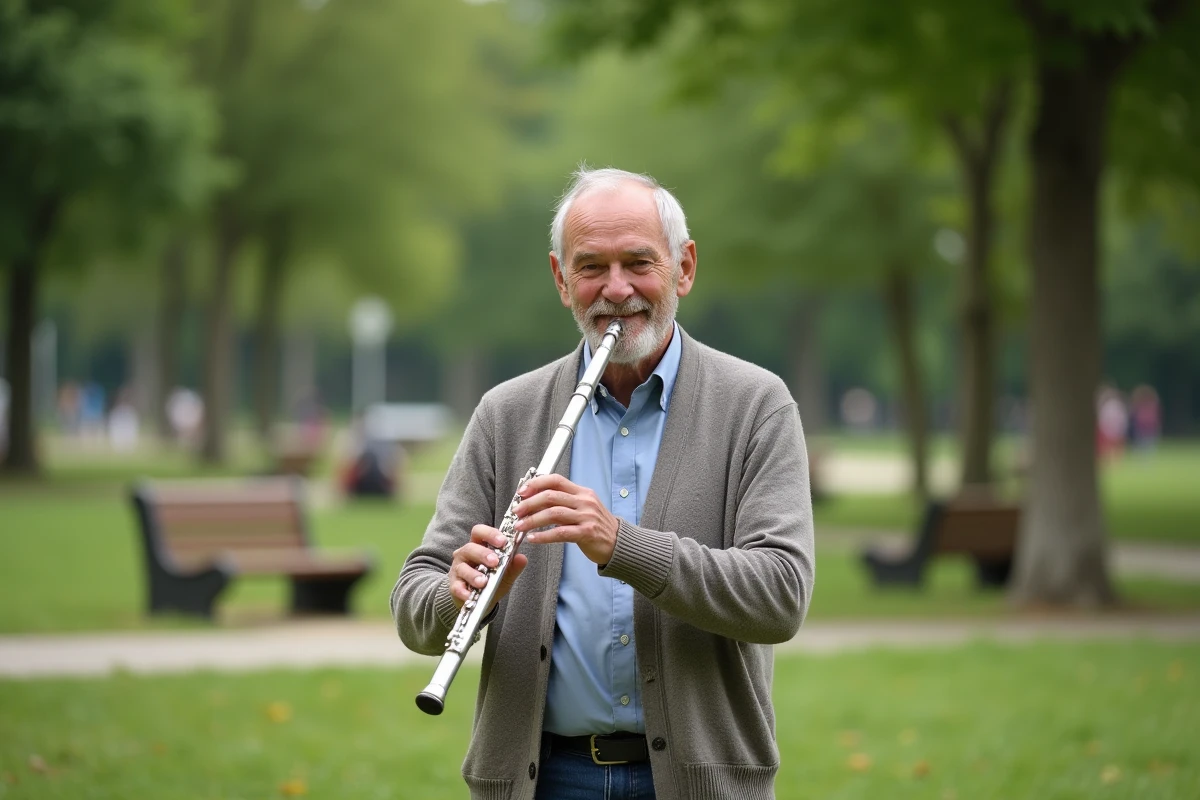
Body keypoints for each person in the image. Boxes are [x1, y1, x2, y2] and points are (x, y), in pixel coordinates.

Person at [392, 167, 815, 800]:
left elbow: (781, 597)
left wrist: (621, 545)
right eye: (591, 267)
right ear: (563, 281)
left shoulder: (756, 405)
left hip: (699, 785)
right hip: (542, 782)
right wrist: (461, 595)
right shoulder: (507, 413)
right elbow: (413, 608)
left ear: (684, 267)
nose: (616, 290)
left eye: (639, 263)